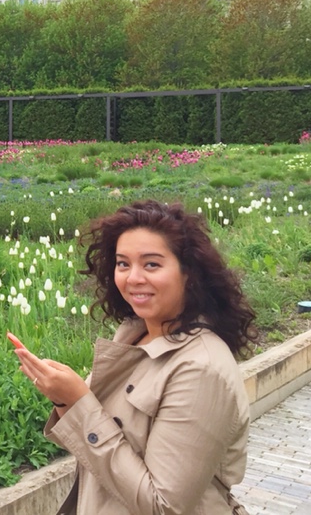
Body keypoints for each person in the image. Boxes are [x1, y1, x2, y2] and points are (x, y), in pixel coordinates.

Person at [13, 200, 258, 515]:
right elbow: (96, 445)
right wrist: (65, 401)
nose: (133, 278)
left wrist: (78, 403)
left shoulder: (200, 369)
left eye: (152, 264)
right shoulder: (134, 334)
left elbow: (163, 506)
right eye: (123, 263)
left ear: (189, 274)